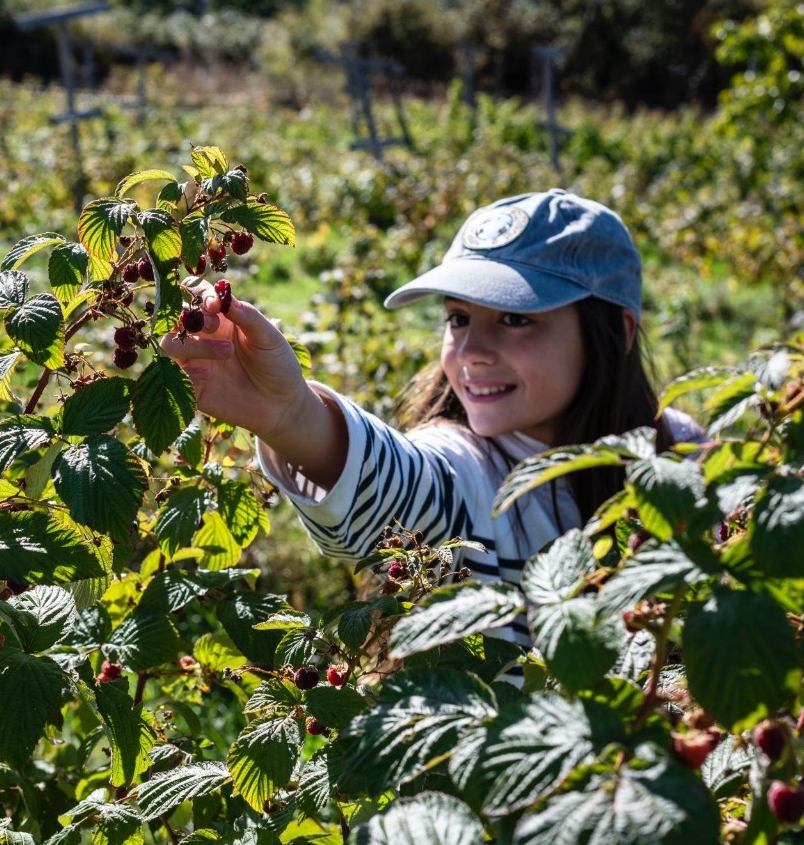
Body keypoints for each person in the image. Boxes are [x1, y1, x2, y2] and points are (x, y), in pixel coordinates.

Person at [161, 189, 704, 649]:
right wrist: (290, 415)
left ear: (619, 333)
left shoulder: (684, 451)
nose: (472, 350)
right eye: (458, 318)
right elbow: (402, 486)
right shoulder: (467, 471)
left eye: (516, 318)